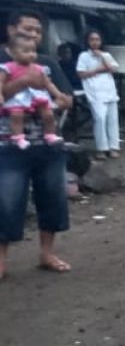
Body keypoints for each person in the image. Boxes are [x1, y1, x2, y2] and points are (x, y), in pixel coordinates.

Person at [0, 49, 72, 278]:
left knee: (52, 200)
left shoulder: (46, 64)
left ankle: (47, 254)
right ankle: (1, 261)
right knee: (7, 203)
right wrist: (23, 83)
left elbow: (66, 99)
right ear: (12, 31)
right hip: (8, 147)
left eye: (37, 32)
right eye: (27, 31)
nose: (33, 37)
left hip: (47, 145)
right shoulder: (4, 66)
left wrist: (49, 104)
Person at [2, 35, 68, 149]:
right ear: (13, 53)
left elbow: (48, 84)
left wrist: (58, 94)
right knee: (16, 115)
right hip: (19, 97)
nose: (31, 54)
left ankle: (50, 134)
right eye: (26, 51)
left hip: (37, 96)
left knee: (48, 114)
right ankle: (18, 137)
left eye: (33, 51)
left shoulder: (39, 68)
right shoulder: (8, 67)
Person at [75, 30, 122, 159]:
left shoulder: (106, 54)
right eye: (92, 39)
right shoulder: (84, 56)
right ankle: (101, 148)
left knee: (112, 120)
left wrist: (102, 56)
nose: (95, 42)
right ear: (87, 41)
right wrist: (97, 70)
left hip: (109, 90)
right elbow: (81, 74)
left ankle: (113, 147)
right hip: (94, 91)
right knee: (100, 119)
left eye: (97, 40)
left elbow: (113, 69)